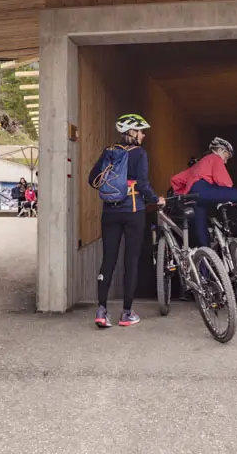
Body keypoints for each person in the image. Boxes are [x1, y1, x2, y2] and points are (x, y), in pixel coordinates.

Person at [88, 113, 159, 328]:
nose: (143, 135)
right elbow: (144, 185)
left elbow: (92, 179)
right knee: (131, 261)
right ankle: (126, 313)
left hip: (110, 212)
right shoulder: (140, 154)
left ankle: (101, 310)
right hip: (133, 212)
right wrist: (157, 199)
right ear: (132, 133)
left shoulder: (108, 152)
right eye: (141, 131)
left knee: (108, 259)